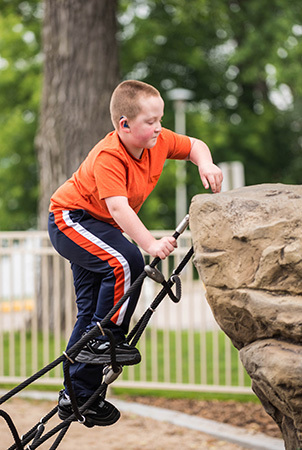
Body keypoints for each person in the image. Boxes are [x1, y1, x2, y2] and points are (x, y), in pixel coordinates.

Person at [48, 80, 223, 427]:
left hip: (99, 226)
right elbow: (118, 209)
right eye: (150, 121)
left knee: (92, 309)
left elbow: (195, 146)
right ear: (123, 124)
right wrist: (150, 244)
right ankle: (108, 340)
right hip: (71, 219)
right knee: (127, 262)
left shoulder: (159, 142)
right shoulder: (109, 155)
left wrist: (205, 163)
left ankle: (76, 394)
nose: (159, 127)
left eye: (160, 119)